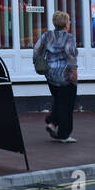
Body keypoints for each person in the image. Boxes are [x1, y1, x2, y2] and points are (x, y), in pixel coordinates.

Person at [33, 11, 79, 142]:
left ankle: (52, 122)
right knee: (67, 103)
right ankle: (63, 134)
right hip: (65, 74)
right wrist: (74, 71)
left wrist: (36, 63)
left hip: (50, 74)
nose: (70, 23)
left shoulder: (47, 35)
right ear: (65, 24)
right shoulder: (68, 37)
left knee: (59, 99)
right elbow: (71, 55)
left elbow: (36, 50)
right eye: (69, 20)